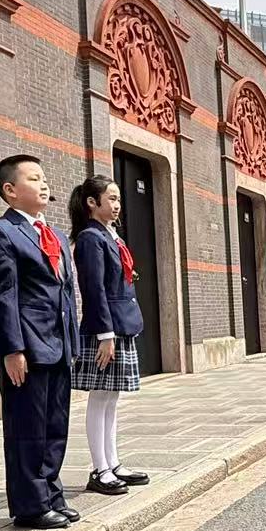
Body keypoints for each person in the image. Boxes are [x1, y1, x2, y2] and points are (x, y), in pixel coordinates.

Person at [0, 155, 81, 530]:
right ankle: (30, 505)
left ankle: (52, 494)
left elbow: (66, 293)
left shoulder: (53, 234)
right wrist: (11, 349)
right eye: (34, 178)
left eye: (44, 178)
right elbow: (2, 295)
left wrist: (73, 341)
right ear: (10, 190)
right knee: (27, 430)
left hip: (59, 344)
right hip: (27, 346)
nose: (44, 184)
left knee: (55, 426)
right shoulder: (0, 233)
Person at [69, 175, 151, 496]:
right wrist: (105, 334)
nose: (117, 205)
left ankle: (113, 463)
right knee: (100, 397)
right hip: (106, 329)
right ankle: (99, 468)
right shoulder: (91, 238)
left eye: (118, 199)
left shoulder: (110, 236)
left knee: (111, 398)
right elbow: (93, 289)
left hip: (119, 325)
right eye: (111, 199)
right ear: (92, 202)